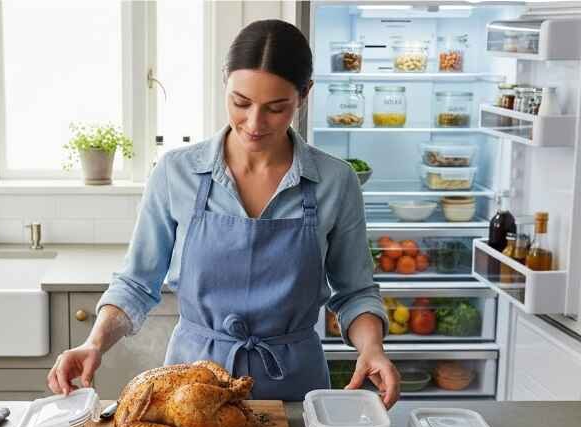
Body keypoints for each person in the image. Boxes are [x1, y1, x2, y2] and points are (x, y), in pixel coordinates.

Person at [48, 19, 400, 407]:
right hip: (190, 387)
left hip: (295, 389)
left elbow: (355, 291)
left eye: (276, 108)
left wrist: (372, 347)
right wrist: (94, 342)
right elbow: (136, 282)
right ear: (224, 84)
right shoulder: (176, 172)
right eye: (241, 102)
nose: (254, 123)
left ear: (304, 94)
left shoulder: (335, 180)